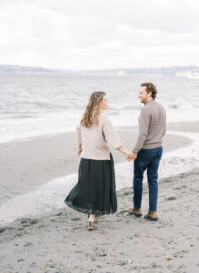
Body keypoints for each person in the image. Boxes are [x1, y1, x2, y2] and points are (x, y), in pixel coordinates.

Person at [64, 91, 130, 230]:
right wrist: (125, 152)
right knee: (100, 188)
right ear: (99, 102)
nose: (107, 103)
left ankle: (92, 217)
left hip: (86, 160)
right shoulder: (104, 119)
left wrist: (80, 147)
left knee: (88, 186)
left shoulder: (84, 118)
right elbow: (113, 139)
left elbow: (78, 132)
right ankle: (92, 216)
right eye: (105, 100)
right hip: (101, 160)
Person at [127, 82, 166, 221]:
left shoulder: (145, 110)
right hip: (158, 148)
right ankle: (153, 211)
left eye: (141, 92)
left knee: (138, 178)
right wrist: (156, 141)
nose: (139, 95)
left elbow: (142, 134)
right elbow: (163, 130)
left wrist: (134, 151)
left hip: (146, 150)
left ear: (149, 93)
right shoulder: (161, 107)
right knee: (153, 179)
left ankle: (137, 208)